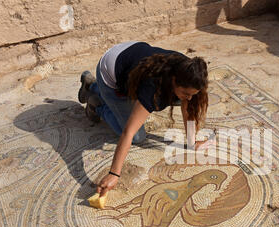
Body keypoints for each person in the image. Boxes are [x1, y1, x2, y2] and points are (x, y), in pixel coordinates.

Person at [78, 41, 211, 196]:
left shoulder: (189, 70)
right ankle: (95, 98)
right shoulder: (153, 88)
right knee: (137, 136)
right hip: (110, 71)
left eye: (192, 94)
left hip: (131, 57)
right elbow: (128, 132)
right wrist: (114, 174)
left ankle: (95, 88)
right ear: (174, 80)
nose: (188, 98)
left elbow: (188, 107)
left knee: (181, 99)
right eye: (185, 93)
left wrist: (192, 142)